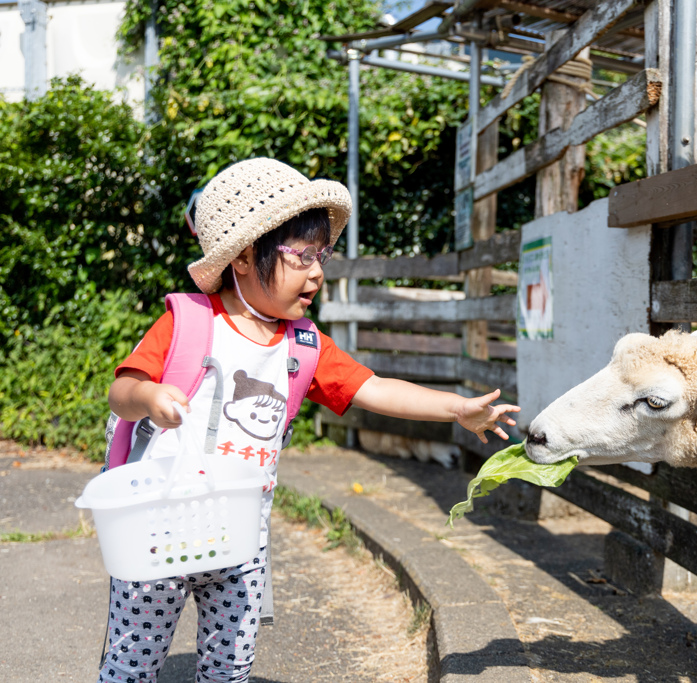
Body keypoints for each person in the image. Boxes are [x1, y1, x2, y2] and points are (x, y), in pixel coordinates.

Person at [99, 157, 519, 682]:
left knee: (230, 668)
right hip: (157, 530)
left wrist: (456, 408)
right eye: (300, 255)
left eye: (321, 254)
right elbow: (120, 391)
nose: (317, 271)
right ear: (246, 257)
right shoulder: (188, 322)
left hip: (238, 541)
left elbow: (374, 388)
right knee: (132, 663)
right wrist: (151, 396)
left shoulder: (303, 345)